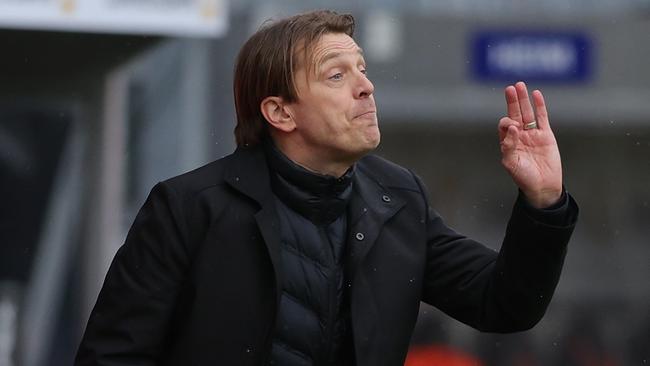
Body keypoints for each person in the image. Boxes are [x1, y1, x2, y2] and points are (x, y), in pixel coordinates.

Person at [75, 9, 578, 366]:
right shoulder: (188, 208)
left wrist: (543, 203)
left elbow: (505, 304)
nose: (366, 86)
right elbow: (112, 356)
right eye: (337, 75)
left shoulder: (399, 199)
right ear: (279, 112)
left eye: (363, 69)